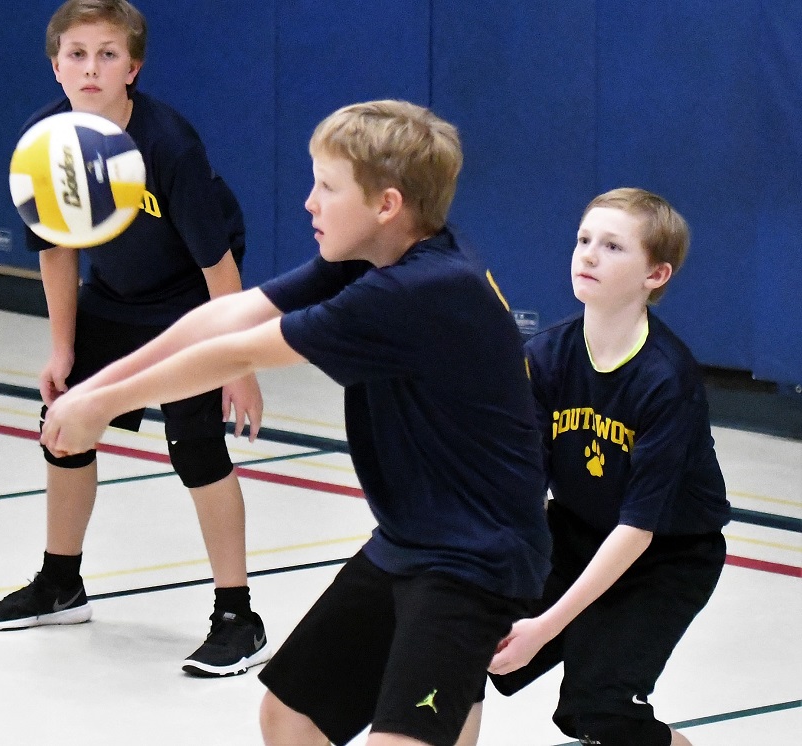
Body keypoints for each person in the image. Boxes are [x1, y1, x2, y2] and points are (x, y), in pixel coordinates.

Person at [39, 100, 552, 746]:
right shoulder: (377, 255)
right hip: (410, 539)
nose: (309, 203)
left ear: (387, 205)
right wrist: (96, 387)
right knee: (289, 717)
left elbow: (241, 352)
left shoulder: (418, 292)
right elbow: (230, 315)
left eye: (327, 187)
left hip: (475, 558)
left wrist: (103, 407)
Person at [0, 0, 271, 679]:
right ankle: (60, 584)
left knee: (196, 449)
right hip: (114, 298)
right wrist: (63, 350)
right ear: (55, 66)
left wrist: (239, 363)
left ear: (133, 68)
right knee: (64, 427)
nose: (91, 68)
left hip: (190, 306)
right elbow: (55, 250)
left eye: (107, 55)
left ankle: (237, 615)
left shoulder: (169, 145)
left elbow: (218, 265)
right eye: (76, 54)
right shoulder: (45, 140)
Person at [484, 188, 732, 745]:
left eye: (613, 246)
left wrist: (546, 626)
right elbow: (524, 486)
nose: (589, 255)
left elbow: (637, 530)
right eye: (584, 240)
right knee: (463, 626)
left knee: (596, 709)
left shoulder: (666, 379)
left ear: (655, 275)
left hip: (666, 555)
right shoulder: (545, 356)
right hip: (575, 533)